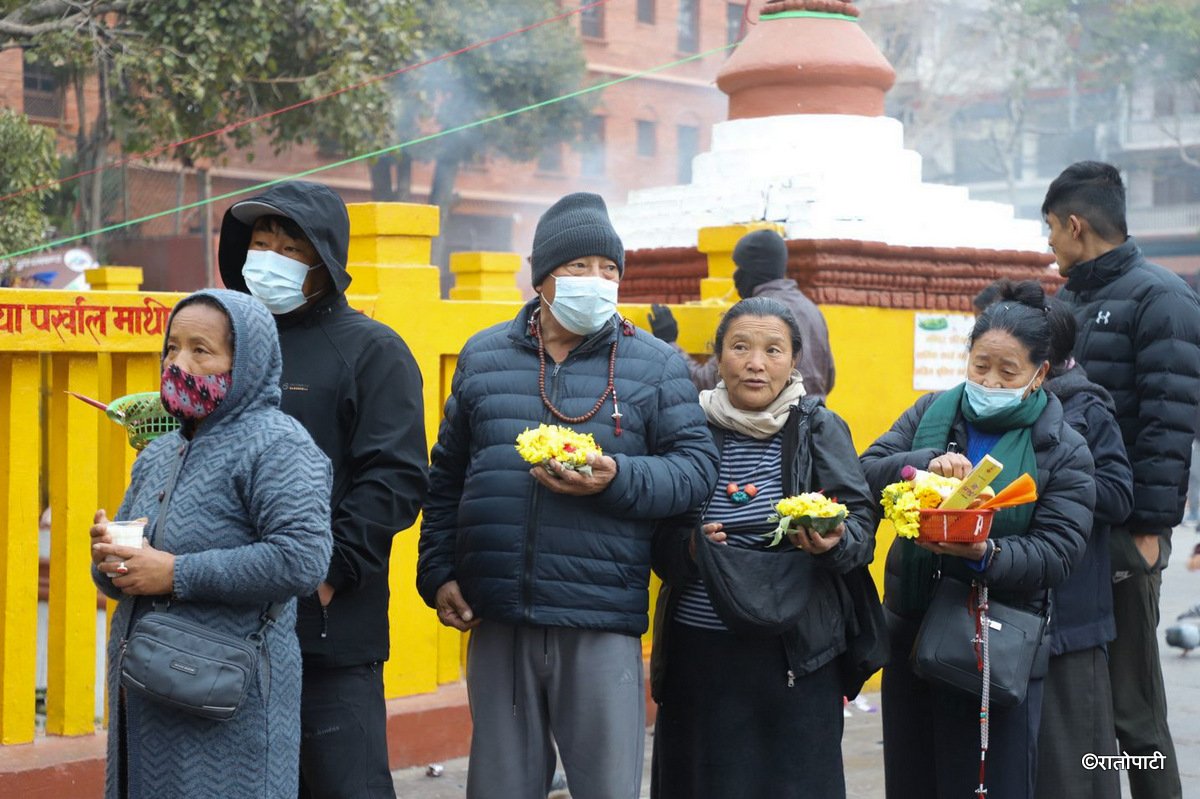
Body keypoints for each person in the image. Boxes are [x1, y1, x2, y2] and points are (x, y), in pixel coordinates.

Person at [416, 192, 719, 799]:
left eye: (609, 270)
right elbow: (446, 476)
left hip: (599, 615)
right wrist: (439, 570)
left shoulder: (655, 365)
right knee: (499, 786)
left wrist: (618, 478)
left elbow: (696, 469)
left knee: (606, 787)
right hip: (498, 614)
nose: (597, 282)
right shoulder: (484, 356)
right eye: (580, 267)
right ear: (544, 277)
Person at [217, 180, 428, 799]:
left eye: (291, 247)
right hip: (227, 624)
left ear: (326, 260)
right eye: (261, 243)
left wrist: (329, 572)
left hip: (329, 631)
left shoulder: (373, 351)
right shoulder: (228, 346)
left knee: (343, 787)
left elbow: (395, 478)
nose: (271, 259)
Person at [90, 290, 333, 799]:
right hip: (145, 694)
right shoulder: (161, 450)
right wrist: (110, 558)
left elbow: (301, 559)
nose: (180, 363)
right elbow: (131, 578)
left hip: (227, 703)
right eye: (172, 348)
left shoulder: (278, 445)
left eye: (202, 350)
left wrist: (175, 572)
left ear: (245, 363)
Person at [861, 282, 1095, 798]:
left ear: (1040, 375)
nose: (990, 380)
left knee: (989, 782)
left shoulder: (1062, 447)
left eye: (1008, 372)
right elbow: (864, 473)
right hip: (913, 629)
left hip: (996, 640)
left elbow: (1059, 551)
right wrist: (921, 466)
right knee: (913, 776)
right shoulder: (929, 415)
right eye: (980, 366)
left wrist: (987, 554)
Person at [647, 297, 876, 798]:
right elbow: (656, 536)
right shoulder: (689, 425)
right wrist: (690, 548)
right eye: (741, 347)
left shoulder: (818, 427)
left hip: (795, 653)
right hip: (699, 652)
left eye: (774, 350)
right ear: (717, 357)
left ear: (794, 360)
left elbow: (860, 525)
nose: (756, 363)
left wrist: (833, 541)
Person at [1046, 160, 1200, 799]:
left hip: (1124, 533)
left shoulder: (1160, 296)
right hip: (1070, 528)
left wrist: (1150, 530)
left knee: (1134, 709)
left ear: (1076, 225)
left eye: (1051, 229)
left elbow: (1170, 423)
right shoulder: (1069, 300)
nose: (1048, 244)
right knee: (1084, 701)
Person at [981, 285, 1131, 799]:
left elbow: (1117, 494)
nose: (994, 378)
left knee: (1075, 760)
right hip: (1020, 608)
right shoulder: (990, 414)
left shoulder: (1085, 409)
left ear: (1042, 362)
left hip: (1072, 611)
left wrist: (1055, 482)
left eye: (1011, 363)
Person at [647, 229, 836, 398]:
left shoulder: (755, 316)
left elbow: (706, 382)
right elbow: (828, 380)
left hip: (773, 429)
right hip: (814, 423)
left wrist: (668, 341)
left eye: (739, 268)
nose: (736, 276)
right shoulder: (811, 310)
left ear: (752, 269)